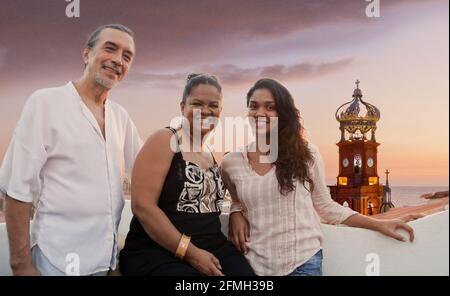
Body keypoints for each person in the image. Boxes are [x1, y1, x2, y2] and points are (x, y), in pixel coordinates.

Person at [220, 78, 418, 276]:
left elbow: (326, 206)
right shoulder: (232, 163)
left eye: (270, 107)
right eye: (253, 106)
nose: (260, 113)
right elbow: (234, 197)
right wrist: (236, 211)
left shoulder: (307, 154)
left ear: (283, 113)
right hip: (253, 266)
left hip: (303, 264)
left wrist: (379, 224)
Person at [0, 24, 142, 276]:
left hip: (105, 263)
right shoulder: (45, 103)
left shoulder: (120, 117)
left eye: (127, 56)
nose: (118, 60)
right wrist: (21, 265)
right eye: (110, 49)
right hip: (54, 262)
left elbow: (147, 169)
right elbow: (16, 190)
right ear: (86, 54)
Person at [119, 73, 255, 276]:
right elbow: (142, 206)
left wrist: (236, 211)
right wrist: (190, 253)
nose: (206, 111)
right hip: (158, 250)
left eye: (213, 105)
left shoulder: (209, 153)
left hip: (212, 245)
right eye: (197, 103)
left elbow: (235, 193)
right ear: (182, 107)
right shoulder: (165, 140)